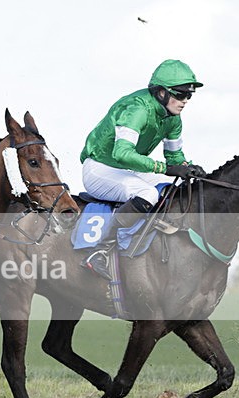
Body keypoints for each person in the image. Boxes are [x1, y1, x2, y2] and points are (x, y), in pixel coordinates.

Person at [78, 59, 207, 280]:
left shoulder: (173, 118)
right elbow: (122, 154)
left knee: (170, 189)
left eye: (189, 95)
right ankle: (100, 247)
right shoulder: (137, 109)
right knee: (147, 193)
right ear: (160, 93)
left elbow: (174, 157)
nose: (185, 101)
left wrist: (187, 168)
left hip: (127, 170)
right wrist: (165, 168)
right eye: (180, 94)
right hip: (100, 168)